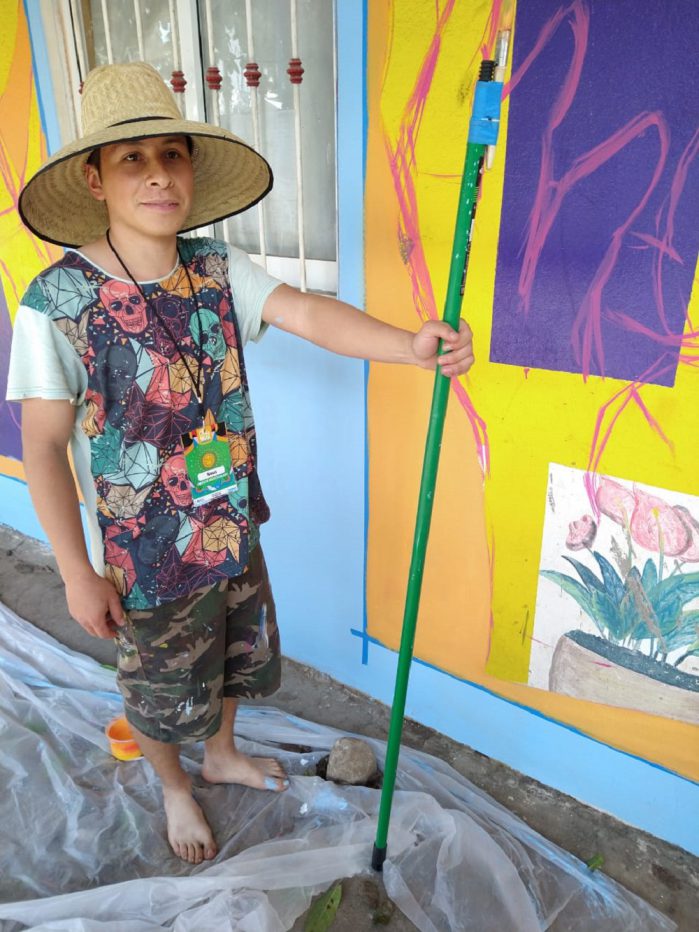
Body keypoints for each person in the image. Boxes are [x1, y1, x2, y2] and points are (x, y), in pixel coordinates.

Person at [7, 62, 474, 865]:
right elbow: (43, 447)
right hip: (144, 557)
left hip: (229, 525)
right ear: (94, 179)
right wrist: (77, 572)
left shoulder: (217, 270)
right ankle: (174, 786)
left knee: (236, 655)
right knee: (159, 689)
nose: (158, 174)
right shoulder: (56, 303)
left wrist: (409, 345)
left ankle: (220, 753)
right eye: (131, 158)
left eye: (172, 154)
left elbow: (308, 313)